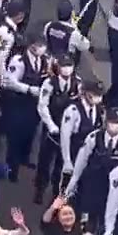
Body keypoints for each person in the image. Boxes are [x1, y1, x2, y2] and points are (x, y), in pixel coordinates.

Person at [65, 107, 118, 235]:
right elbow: (82, 160)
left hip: (108, 189)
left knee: (100, 219)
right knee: (83, 214)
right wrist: (74, 180)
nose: (115, 126)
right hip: (90, 184)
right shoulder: (94, 137)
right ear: (106, 121)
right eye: (112, 121)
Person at [0, 28, 50, 182]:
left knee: (30, 134)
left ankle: (24, 159)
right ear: (32, 45)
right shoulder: (19, 60)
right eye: (38, 45)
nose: (41, 48)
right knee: (15, 138)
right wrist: (28, 89)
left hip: (34, 107)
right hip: (19, 105)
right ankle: (11, 169)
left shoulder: (43, 60)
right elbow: (9, 82)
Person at [34, 55, 81, 203]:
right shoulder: (49, 83)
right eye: (64, 65)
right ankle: (40, 188)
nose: (67, 69)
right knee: (44, 160)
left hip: (68, 132)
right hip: (52, 128)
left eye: (69, 65)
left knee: (62, 163)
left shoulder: (77, 84)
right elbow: (42, 106)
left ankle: (57, 191)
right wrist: (51, 126)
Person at [60, 77, 104, 182]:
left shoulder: (98, 109)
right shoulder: (73, 110)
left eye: (99, 94)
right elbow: (65, 135)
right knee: (63, 184)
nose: (97, 97)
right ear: (85, 93)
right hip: (73, 149)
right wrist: (67, 159)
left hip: (86, 153)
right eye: (94, 94)